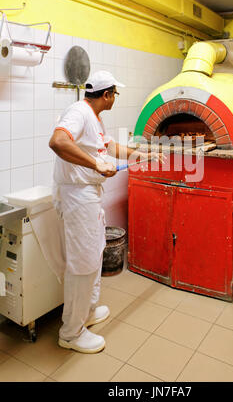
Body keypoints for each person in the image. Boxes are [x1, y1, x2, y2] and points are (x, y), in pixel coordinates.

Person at [49, 70, 153, 354]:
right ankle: (71, 333)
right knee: (83, 264)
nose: (115, 99)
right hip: (77, 196)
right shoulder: (79, 112)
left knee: (94, 254)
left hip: (88, 196)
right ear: (106, 95)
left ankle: (88, 312)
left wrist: (141, 154)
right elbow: (58, 142)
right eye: (114, 94)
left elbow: (108, 146)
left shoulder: (95, 119)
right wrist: (96, 165)